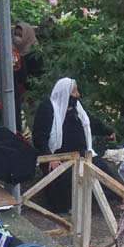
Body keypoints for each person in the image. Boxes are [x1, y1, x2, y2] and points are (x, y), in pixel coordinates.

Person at [30, 78, 94, 213]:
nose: (77, 95)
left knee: (100, 169)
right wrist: (50, 156)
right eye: (74, 92)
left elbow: (90, 122)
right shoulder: (47, 108)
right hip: (56, 155)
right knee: (61, 176)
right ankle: (65, 207)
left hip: (80, 154)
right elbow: (40, 137)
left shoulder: (77, 109)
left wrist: (108, 132)